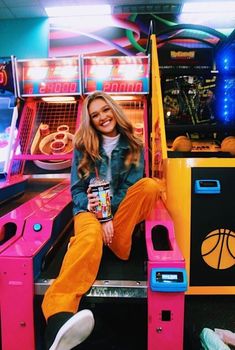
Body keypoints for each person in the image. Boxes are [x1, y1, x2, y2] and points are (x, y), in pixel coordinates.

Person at [42, 91, 162, 350]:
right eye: (95, 115)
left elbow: (130, 190)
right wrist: (96, 210)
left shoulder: (135, 145)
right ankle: (57, 320)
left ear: (114, 110)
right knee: (88, 236)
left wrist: (107, 214)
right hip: (88, 212)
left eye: (105, 110)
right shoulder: (82, 146)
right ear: (91, 121)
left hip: (118, 219)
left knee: (150, 186)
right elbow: (76, 190)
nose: (102, 117)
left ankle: (118, 241)